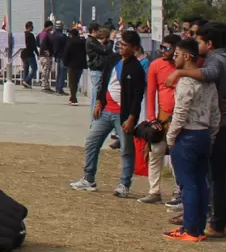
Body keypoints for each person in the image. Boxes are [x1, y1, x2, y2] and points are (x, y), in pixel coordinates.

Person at [164, 21, 226, 235]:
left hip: (207, 128)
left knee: (208, 178)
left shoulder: (215, 61)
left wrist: (180, 74)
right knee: (220, 175)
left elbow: (210, 74)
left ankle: (213, 222)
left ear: (210, 43)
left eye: (199, 40)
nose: (196, 44)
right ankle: (218, 219)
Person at [71, 30, 147, 196]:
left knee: (126, 150)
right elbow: (103, 83)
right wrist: (99, 101)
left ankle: (124, 184)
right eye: (120, 43)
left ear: (134, 48)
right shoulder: (112, 60)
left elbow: (137, 96)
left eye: (125, 45)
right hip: (106, 111)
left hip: (123, 115)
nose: (121, 47)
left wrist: (131, 118)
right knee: (92, 141)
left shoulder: (136, 69)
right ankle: (88, 178)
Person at [163, 38, 220, 241]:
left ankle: (189, 229)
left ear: (187, 56)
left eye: (176, 54)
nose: (174, 57)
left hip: (187, 134)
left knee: (188, 184)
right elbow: (215, 113)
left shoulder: (186, 82)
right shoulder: (209, 83)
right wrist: (212, 136)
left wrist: (171, 137)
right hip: (204, 134)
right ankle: (198, 227)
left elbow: (180, 113)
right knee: (201, 182)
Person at [141, 34, 180, 205]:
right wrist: (151, 117)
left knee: (178, 154)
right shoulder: (156, 65)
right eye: (162, 48)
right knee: (156, 152)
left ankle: (178, 191)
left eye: (167, 48)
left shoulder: (185, 68)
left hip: (180, 115)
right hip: (162, 115)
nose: (162, 51)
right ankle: (154, 190)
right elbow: (150, 92)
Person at [62, 26, 87, 105]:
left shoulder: (69, 42)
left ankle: (73, 98)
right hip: (80, 64)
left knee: (72, 82)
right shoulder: (83, 42)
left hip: (71, 64)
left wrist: (65, 62)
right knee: (76, 81)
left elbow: (66, 53)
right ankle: (73, 97)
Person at [38, 22, 55, 93]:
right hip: (46, 56)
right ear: (49, 26)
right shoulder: (46, 34)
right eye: (51, 26)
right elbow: (44, 43)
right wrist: (46, 50)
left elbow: (38, 43)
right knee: (46, 70)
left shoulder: (41, 34)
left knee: (45, 70)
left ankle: (46, 85)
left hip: (42, 55)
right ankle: (44, 86)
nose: (52, 28)